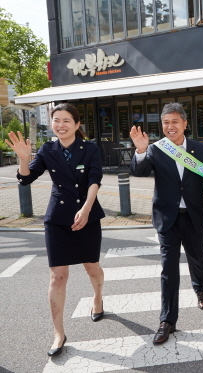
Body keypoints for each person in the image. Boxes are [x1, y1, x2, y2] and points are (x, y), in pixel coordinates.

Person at [5, 103, 106, 357]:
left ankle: (97, 297)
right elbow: (26, 178)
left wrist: (85, 209)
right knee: (57, 276)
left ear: (77, 124)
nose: (60, 125)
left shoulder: (90, 149)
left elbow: (95, 180)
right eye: (56, 120)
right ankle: (58, 333)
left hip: (87, 215)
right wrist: (23, 159)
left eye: (66, 121)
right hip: (58, 218)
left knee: (91, 267)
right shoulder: (48, 149)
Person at [130, 102, 203, 344]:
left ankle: (200, 287)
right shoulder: (155, 149)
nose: (170, 127)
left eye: (174, 122)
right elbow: (138, 172)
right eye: (166, 123)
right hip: (167, 217)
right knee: (168, 269)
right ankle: (167, 320)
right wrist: (140, 152)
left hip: (193, 216)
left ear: (185, 124)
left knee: (197, 257)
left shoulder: (200, 149)